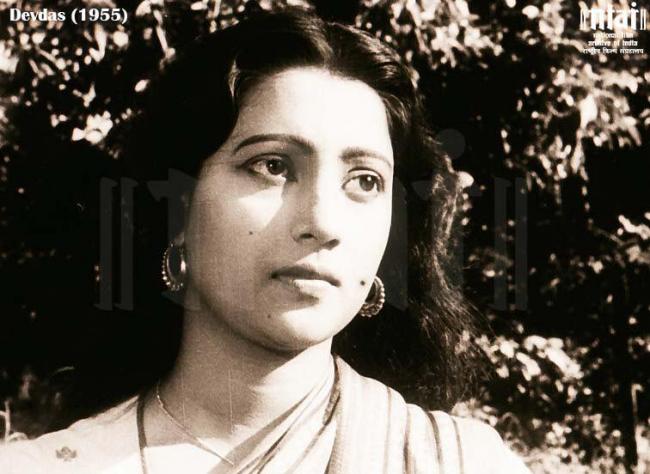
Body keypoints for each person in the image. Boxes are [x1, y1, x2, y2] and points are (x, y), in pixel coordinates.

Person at [0, 7, 530, 473]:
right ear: (178, 204)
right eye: (272, 166)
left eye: (365, 181)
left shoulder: (455, 462)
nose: (324, 222)